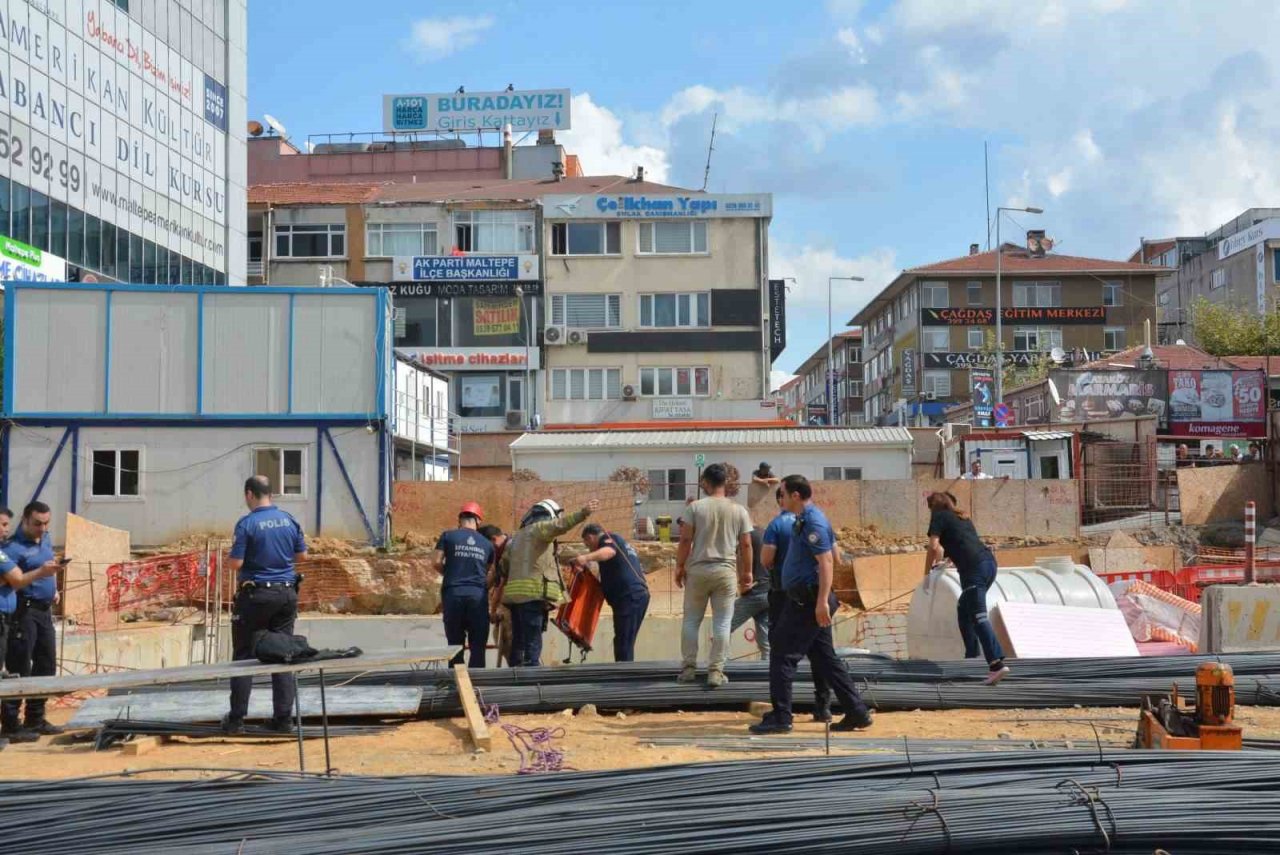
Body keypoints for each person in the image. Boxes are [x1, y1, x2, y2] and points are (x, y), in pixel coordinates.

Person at [752, 475, 872, 734]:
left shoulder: (813, 521)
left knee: (782, 654)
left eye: (782, 493)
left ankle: (782, 716)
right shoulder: (804, 519)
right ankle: (857, 712)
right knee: (826, 658)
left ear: (796, 495)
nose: (780, 498)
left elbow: (828, 562)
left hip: (809, 599)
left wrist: (820, 603)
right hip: (810, 597)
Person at [223, 476, 307, 735]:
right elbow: (302, 555)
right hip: (286, 595)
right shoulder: (289, 519)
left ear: (250, 494)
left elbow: (236, 563)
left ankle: (236, 720)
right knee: (284, 654)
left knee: (244, 656)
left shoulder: (247, 523)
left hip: (256, 597)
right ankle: (283, 719)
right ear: (269, 494)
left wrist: (227, 559)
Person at [677, 464, 753, 687]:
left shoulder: (695, 508)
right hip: (725, 572)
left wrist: (680, 566)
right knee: (722, 623)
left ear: (707, 483)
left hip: (698, 570)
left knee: (691, 620)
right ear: (725, 483)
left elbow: (684, 541)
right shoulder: (739, 510)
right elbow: (746, 544)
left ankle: (689, 669)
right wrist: (746, 573)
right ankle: (716, 671)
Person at [498, 498, 598, 667]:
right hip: (533, 595)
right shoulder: (540, 529)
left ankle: (515, 678)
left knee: (518, 642)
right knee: (532, 643)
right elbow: (560, 525)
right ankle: (533, 679)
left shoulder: (515, 538)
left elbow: (503, 567)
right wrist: (583, 513)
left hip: (514, 599)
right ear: (550, 515)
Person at [761, 486, 832, 722]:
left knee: (782, 652)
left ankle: (782, 712)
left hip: (789, 596)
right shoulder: (819, 520)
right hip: (816, 592)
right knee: (821, 653)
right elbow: (835, 556)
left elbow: (766, 560)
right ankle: (824, 706)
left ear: (787, 497)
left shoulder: (779, 525)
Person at [924, 491, 1010, 684]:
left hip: (974, 570)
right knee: (964, 608)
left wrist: (927, 573)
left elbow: (934, 547)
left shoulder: (938, 516)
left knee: (979, 617)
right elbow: (961, 543)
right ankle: (972, 657)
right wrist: (947, 561)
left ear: (934, 507)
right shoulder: (962, 517)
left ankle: (996, 664)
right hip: (989, 564)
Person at [1, 502, 67, 737]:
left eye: (46, 523)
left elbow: (46, 567)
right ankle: (10, 723)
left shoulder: (45, 540)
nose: (42, 528)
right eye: (37, 523)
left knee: (46, 664)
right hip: (24, 612)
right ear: (25, 521)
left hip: (44, 611)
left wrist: (53, 589)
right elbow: (13, 581)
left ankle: (35, 718)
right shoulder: (12, 549)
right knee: (20, 666)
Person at [571, 524, 649, 662]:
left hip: (630, 597)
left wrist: (585, 558)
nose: (589, 548)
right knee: (623, 640)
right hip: (632, 597)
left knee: (623, 642)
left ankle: (623, 677)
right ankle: (624, 673)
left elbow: (609, 552)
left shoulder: (608, 539)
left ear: (590, 537)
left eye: (588, 544)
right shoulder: (617, 542)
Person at [434, 503, 494, 669]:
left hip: (453, 594)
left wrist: (452, 573)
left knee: (454, 644)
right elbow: (486, 571)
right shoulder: (487, 544)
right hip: (477, 596)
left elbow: (436, 561)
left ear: (460, 519)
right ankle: (477, 685)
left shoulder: (448, 536)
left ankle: (456, 683)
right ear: (478, 521)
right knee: (478, 646)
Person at [729, 525, 771, 660]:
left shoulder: (745, 536)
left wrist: (742, 585)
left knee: (724, 624)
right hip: (768, 589)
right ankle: (768, 664)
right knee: (764, 628)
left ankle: (719, 663)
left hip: (755, 589)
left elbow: (740, 560)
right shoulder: (763, 532)